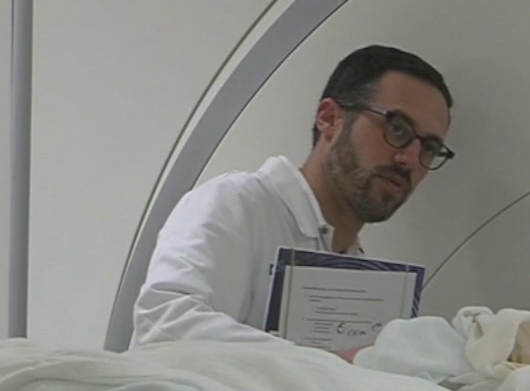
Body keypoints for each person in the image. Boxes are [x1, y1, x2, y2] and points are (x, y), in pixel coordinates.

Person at [131, 44, 456, 357]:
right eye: (397, 129)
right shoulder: (236, 204)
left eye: (429, 148)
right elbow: (165, 329)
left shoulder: (367, 278)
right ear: (329, 118)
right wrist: (328, 363)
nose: (409, 160)